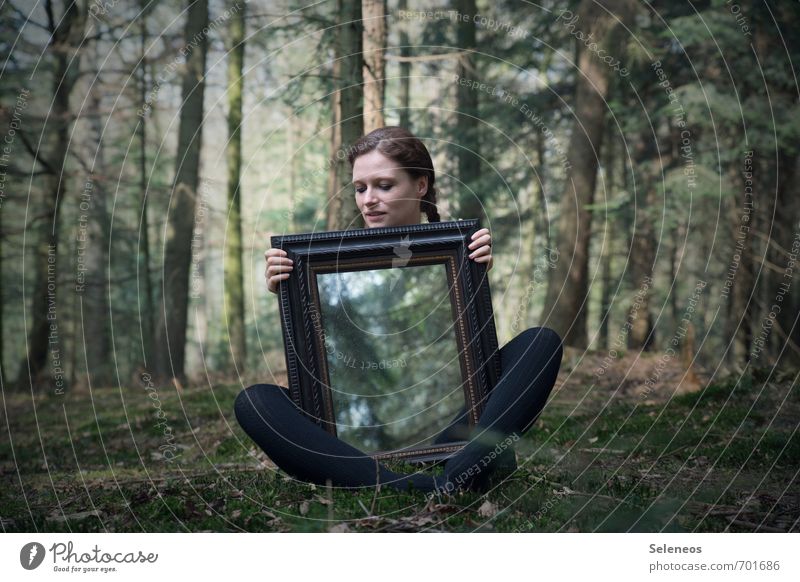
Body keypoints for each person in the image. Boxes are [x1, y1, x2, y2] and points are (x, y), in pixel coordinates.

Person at [234, 126, 563, 494]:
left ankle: (459, 473)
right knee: (255, 402)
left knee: (540, 342)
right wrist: (290, 291)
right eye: (360, 188)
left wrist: (473, 273)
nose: (368, 200)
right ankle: (409, 486)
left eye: (384, 185)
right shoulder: (320, 267)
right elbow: (324, 371)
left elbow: (471, 363)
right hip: (351, 442)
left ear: (420, 186)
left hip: (450, 432)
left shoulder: (458, 254)